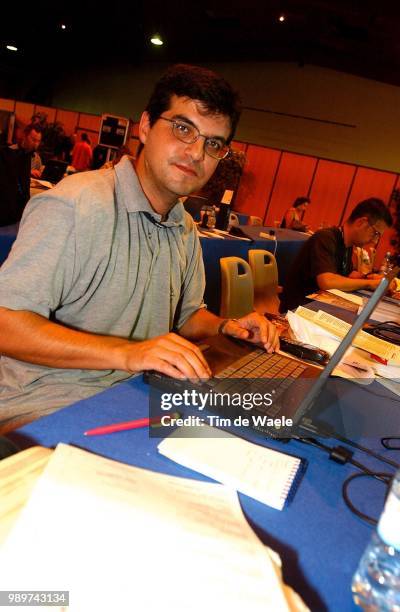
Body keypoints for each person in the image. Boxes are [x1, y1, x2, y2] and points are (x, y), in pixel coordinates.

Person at [0, 63, 279, 431]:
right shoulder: (75, 206)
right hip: (47, 406)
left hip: (135, 395)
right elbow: (6, 324)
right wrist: (129, 353)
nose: (196, 153)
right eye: (183, 128)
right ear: (145, 126)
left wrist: (226, 326)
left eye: (213, 143)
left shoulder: (182, 225)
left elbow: (186, 316)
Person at [279, 198, 393, 312]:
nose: (375, 241)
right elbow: (327, 281)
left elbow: (347, 274)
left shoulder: (346, 244)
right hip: (297, 310)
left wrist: (370, 278)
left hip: (319, 306)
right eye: (375, 233)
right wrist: (369, 283)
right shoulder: (325, 238)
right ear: (361, 223)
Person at [0, 124, 42, 226]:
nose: (36, 144)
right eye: (33, 140)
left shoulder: (32, 157)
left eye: (38, 141)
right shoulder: (9, 154)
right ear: (25, 136)